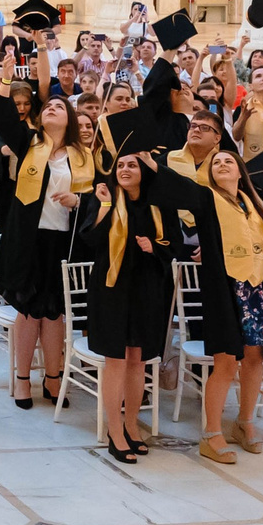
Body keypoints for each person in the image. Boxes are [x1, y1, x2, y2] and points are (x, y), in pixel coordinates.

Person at [160, 145, 263, 462]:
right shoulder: (206, 199)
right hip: (224, 293)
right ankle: (211, 434)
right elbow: (177, 188)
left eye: (229, 161)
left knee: (254, 359)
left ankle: (245, 422)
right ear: (209, 173)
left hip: (255, 291)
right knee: (226, 363)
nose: (223, 164)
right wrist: (151, 165)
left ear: (240, 171)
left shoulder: (255, 204)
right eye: (217, 163)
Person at [0, 91, 91, 409]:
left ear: (69, 119)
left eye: (59, 107)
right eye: (47, 106)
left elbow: (101, 196)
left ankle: (53, 376)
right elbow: (5, 120)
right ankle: (22, 378)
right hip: (27, 240)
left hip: (63, 242)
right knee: (28, 311)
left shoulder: (83, 155)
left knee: (55, 314)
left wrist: (78, 201)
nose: (52, 109)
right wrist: (4, 86)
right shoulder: (30, 143)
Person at [74, 153, 176, 462]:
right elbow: (89, 239)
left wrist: (154, 247)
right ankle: (114, 429)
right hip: (111, 287)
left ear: (144, 171)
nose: (125, 170)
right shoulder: (105, 197)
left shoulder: (158, 203)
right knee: (116, 359)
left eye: (132, 165)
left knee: (138, 359)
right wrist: (104, 205)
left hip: (147, 287)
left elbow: (174, 244)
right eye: (120, 165)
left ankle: (132, 424)